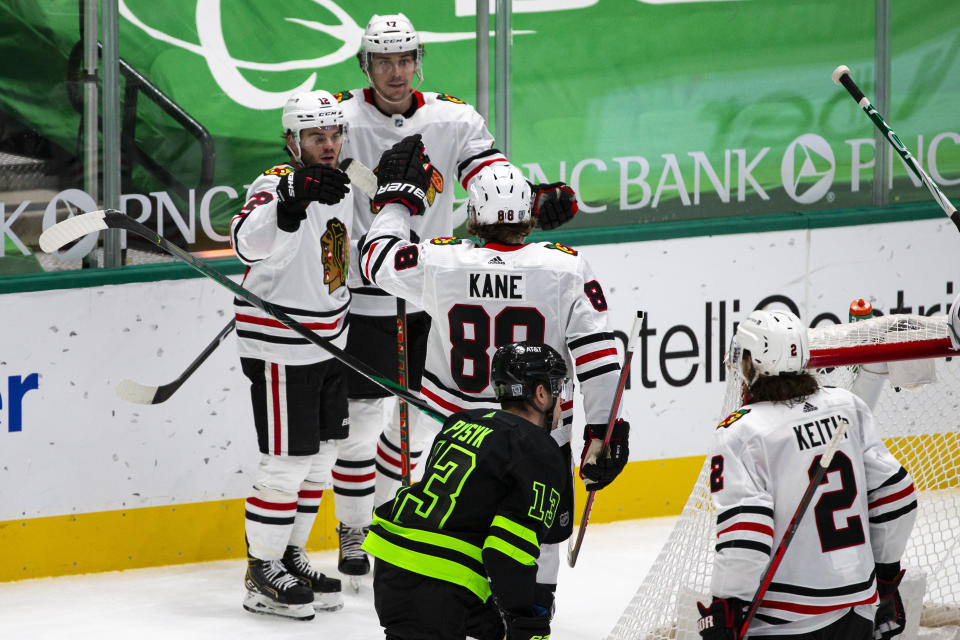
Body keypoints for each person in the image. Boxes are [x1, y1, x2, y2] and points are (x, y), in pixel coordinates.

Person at [331, 11, 580, 580]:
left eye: (405, 60)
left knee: (416, 425)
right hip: (364, 296)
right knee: (365, 420)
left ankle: (389, 518)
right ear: (366, 65)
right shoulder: (340, 118)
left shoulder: (454, 118)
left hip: (431, 293)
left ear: (419, 61)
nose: (395, 73)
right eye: (384, 61)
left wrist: (533, 200)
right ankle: (351, 526)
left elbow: (490, 179)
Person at [358, 136, 630, 615]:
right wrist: (604, 432)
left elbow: (375, 257)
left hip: (462, 436)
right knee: (539, 537)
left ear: (474, 214)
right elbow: (600, 357)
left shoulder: (441, 260)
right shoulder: (564, 268)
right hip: (539, 434)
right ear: (529, 213)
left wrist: (397, 201)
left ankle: (473, 619)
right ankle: (531, 618)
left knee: (461, 534)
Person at [697, 310, 917, 639]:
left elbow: (748, 529)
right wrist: (884, 577)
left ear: (755, 362)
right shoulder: (847, 405)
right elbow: (896, 493)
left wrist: (726, 605)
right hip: (858, 606)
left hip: (785, 618)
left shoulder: (742, 431)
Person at [229, 89, 353, 620]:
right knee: (286, 463)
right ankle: (261, 571)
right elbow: (243, 243)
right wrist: (288, 202)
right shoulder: (274, 183)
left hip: (331, 342)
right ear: (291, 140)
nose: (327, 146)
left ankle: (290, 555)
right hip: (280, 347)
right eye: (314, 137)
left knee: (320, 459)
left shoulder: (346, 182)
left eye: (332, 135)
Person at [363, 341, 573, 640]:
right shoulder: (540, 450)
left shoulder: (461, 421)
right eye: (558, 389)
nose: (561, 401)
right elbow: (505, 551)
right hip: (438, 579)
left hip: (392, 563)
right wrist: (525, 617)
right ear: (541, 393)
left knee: (494, 629)